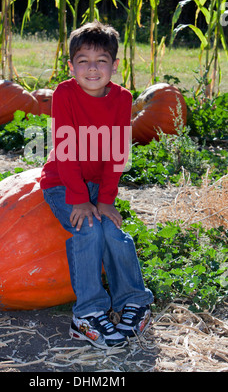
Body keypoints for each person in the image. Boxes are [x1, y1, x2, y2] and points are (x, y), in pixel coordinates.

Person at [40, 20, 153, 349]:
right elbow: (65, 149)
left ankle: (133, 299)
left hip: (96, 184)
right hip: (63, 182)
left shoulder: (122, 99)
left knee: (110, 228)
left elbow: (118, 153)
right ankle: (87, 315)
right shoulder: (64, 94)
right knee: (88, 228)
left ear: (115, 65)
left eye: (101, 60)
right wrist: (79, 199)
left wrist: (105, 199)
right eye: (83, 61)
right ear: (71, 65)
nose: (92, 68)